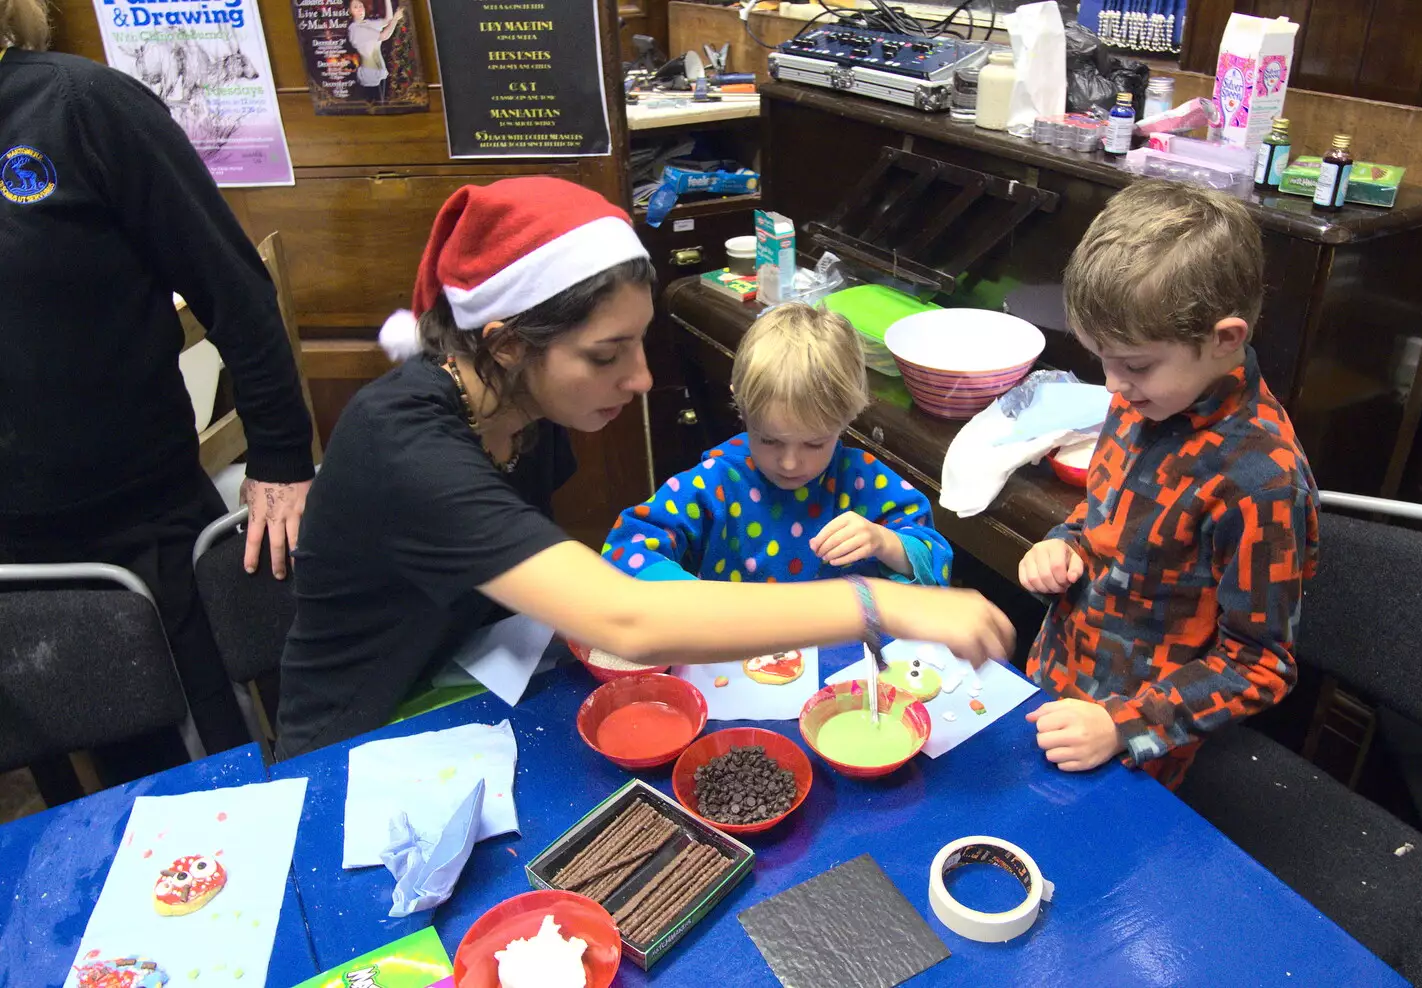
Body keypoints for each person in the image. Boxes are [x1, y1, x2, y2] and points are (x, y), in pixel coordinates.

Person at [276, 177, 1014, 757]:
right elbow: (625, 615)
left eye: (639, 344)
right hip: (368, 736)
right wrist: (877, 602)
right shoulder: (404, 446)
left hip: (485, 690)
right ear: (505, 345)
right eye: (606, 354)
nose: (641, 379)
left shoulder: (523, 414)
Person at [0, 2, 317, 777]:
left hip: (144, 531)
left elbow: (234, 289)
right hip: (15, 562)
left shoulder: (79, 105)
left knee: (218, 770)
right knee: (88, 790)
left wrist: (280, 457)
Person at [1017, 180, 1319, 790]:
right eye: (1103, 360)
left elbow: (1259, 664)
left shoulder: (1262, 483)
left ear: (1224, 339)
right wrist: (1062, 545)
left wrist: (1122, 726)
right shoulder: (1143, 402)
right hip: (1057, 690)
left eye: (1133, 365)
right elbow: (1100, 518)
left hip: (1141, 754)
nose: (1112, 385)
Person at [606, 303, 954, 586]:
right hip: (735, 660)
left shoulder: (863, 481)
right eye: (769, 439)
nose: (789, 463)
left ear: (846, 419)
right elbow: (626, 549)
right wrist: (694, 600)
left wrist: (885, 543)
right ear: (741, 406)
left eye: (815, 443)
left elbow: (935, 561)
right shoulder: (716, 483)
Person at [346, 0, 404, 103]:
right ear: (349, 11)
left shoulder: (367, 23)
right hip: (369, 77)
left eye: (361, 6)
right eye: (355, 7)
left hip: (381, 74)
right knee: (375, 107)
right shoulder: (355, 29)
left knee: (384, 106)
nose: (360, 9)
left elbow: (388, 20)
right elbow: (384, 36)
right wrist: (396, 19)